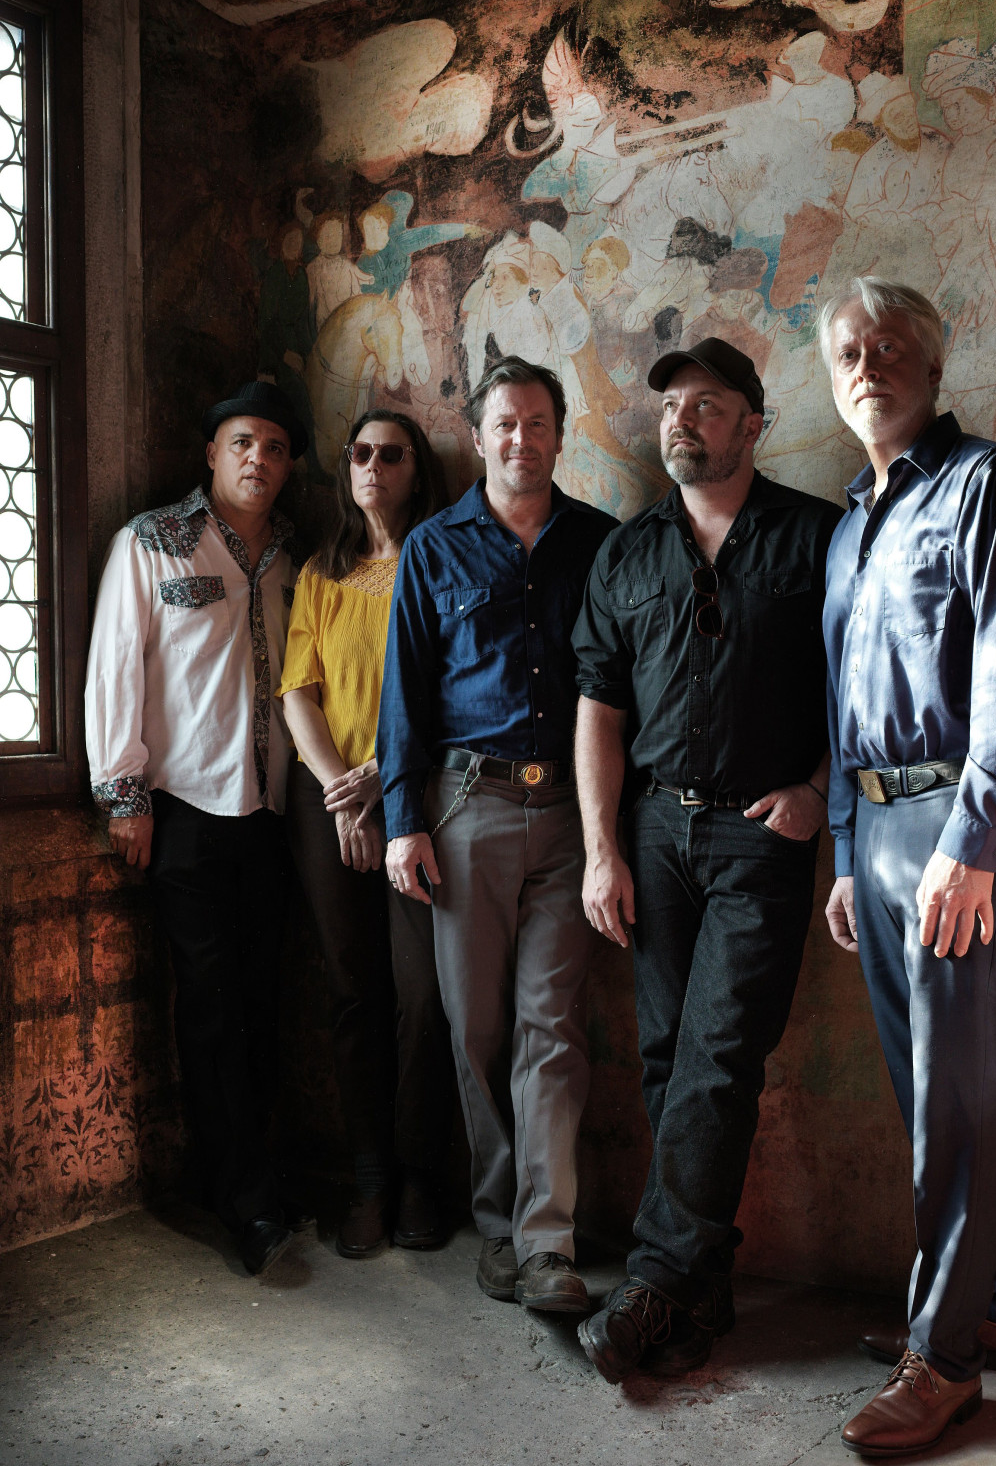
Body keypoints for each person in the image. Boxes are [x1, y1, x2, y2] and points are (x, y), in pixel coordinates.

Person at [818, 277, 996, 1456]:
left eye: (889, 347)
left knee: (955, 1099)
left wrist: (971, 843)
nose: (867, 365)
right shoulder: (848, 527)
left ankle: (947, 1358)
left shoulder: (988, 483)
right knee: (938, 1091)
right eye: (848, 352)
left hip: (968, 827)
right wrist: (842, 849)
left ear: (931, 365)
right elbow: (839, 702)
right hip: (874, 832)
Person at [572, 336, 842, 1382]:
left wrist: (817, 789)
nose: (681, 420)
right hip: (653, 832)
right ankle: (701, 1285)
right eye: (671, 406)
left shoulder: (817, 536)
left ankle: (651, 1283)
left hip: (760, 836)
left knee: (719, 1055)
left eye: (708, 405)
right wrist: (602, 850)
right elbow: (599, 710)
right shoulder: (627, 553)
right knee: (664, 1056)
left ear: (753, 426)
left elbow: (860, 680)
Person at [377, 356, 617, 1312]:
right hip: (465, 806)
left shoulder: (600, 543)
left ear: (560, 434)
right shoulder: (433, 548)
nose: (523, 439)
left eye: (538, 423)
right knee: (475, 1027)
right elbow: (404, 693)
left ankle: (547, 1241)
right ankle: (497, 1225)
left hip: (569, 815)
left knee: (551, 1027)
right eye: (505, 424)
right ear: (478, 438)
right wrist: (403, 822)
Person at [85, 381, 307, 1277]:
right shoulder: (150, 541)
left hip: (272, 814)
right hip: (183, 810)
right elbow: (116, 665)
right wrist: (124, 796)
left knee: (261, 1003)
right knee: (211, 1008)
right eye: (243, 442)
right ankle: (247, 1205)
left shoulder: (296, 553)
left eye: (276, 448)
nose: (259, 459)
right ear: (212, 452)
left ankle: (250, 1176)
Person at [277, 408, 455, 1259]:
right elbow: (297, 692)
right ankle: (371, 1179)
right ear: (345, 468)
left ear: (416, 471)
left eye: (391, 454)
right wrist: (340, 795)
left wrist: (387, 775)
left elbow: (451, 687)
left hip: (418, 796)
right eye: (360, 453)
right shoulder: (321, 572)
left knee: (423, 997)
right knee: (354, 993)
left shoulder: (441, 558)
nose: (373, 466)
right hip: (331, 803)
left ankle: (423, 1176)